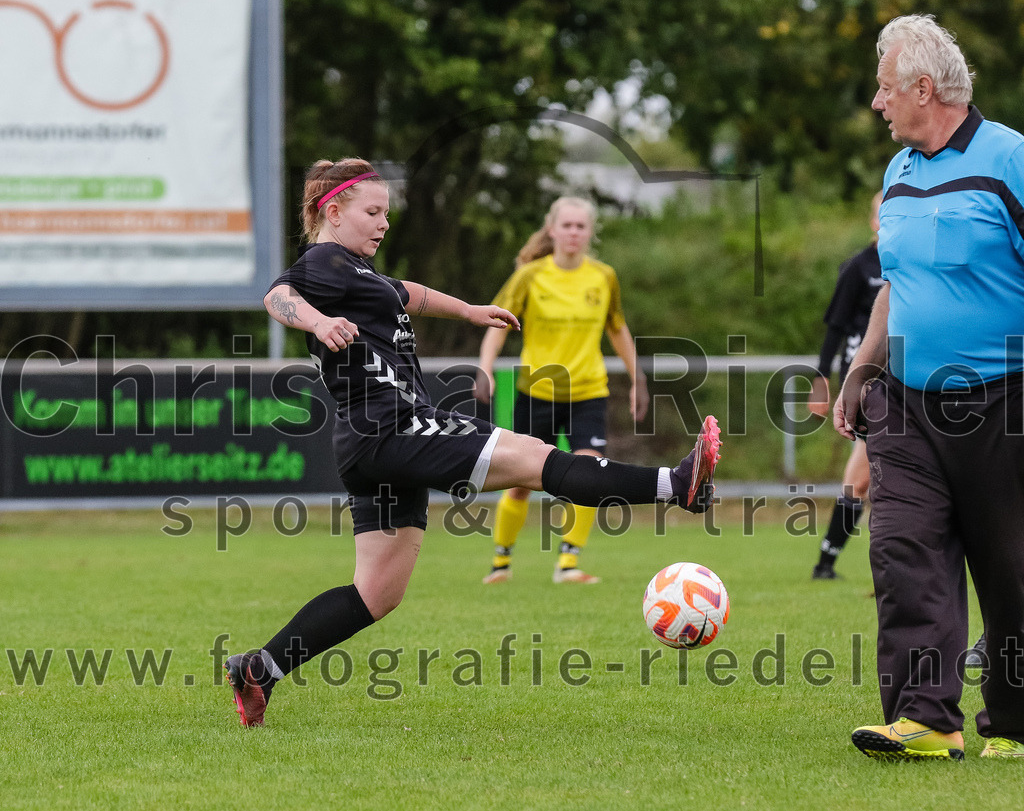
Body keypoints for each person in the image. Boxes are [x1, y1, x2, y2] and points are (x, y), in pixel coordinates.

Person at [224, 158, 722, 727]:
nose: (384, 223)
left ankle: (260, 668)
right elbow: (277, 295)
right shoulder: (323, 261)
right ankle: (677, 485)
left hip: (369, 446)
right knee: (538, 461)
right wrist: (314, 322)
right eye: (372, 212)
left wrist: (467, 310)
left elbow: (408, 293)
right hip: (394, 426)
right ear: (332, 213)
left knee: (376, 593)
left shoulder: (362, 274)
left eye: (386, 212)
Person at [836, 15, 1024, 760]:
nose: (878, 104)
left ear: (923, 88)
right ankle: (926, 716)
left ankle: (1013, 719)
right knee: (903, 548)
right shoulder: (899, 173)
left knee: (1010, 566)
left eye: (885, 89)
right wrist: (862, 369)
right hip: (907, 402)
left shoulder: (1010, 158)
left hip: (1005, 399)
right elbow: (897, 285)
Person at [474, 197, 649, 584]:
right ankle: (501, 561)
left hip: (588, 390)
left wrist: (639, 378)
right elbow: (498, 323)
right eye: (566, 226)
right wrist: (484, 367)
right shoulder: (531, 275)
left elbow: (617, 328)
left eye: (580, 226)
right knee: (521, 482)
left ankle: (568, 563)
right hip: (537, 391)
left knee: (590, 471)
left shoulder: (603, 276)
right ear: (552, 230)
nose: (573, 233)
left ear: (590, 233)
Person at [807, 192, 884, 580]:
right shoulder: (859, 267)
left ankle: (829, 560)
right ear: (873, 222)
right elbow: (836, 326)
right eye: (882, 213)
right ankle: (829, 560)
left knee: (877, 470)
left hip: (901, 377)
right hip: (864, 379)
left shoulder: (912, 264)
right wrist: (821, 379)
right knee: (868, 468)